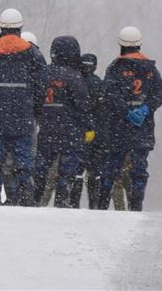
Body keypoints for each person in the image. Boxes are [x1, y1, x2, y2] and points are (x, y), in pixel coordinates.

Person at [0, 8, 48, 206]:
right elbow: (42, 83)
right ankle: (26, 196)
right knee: (24, 157)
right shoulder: (32, 52)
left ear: (1, 27)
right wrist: (37, 110)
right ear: (20, 27)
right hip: (23, 114)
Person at [96, 26, 162, 211]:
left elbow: (109, 95)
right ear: (139, 45)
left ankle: (102, 206)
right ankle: (136, 207)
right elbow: (160, 93)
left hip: (118, 128)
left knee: (111, 168)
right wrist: (145, 108)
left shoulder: (115, 68)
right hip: (142, 128)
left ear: (121, 45)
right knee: (139, 171)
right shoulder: (151, 68)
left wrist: (125, 111)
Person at [33, 36, 94, 208]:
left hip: (46, 129)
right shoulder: (74, 76)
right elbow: (83, 105)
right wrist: (88, 127)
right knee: (66, 170)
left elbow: (36, 100)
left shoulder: (43, 73)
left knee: (42, 168)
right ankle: (62, 200)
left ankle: (34, 199)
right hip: (70, 130)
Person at [75, 53, 106, 208]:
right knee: (95, 171)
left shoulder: (76, 81)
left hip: (78, 131)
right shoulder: (99, 83)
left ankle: (73, 203)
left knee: (77, 171)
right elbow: (103, 109)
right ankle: (94, 204)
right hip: (96, 132)